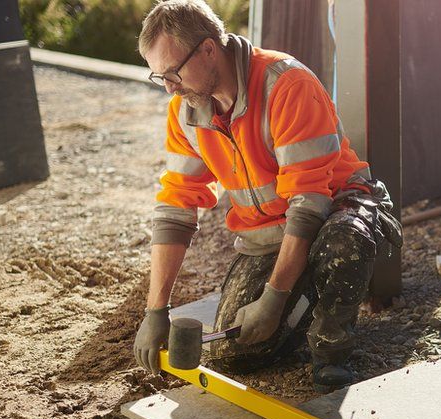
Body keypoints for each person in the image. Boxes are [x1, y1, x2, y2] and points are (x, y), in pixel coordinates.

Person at [131, 0, 401, 393]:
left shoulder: (286, 83)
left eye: (174, 72)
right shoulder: (185, 111)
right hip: (269, 233)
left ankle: (331, 347)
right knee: (237, 352)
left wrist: (274, 299)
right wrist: (157, 309)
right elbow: (176, 206)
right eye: (160, 77)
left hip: (337, 207)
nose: (170, 87)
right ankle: (307, 284)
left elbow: (310, 204)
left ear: (209, 50)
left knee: (343, 241)